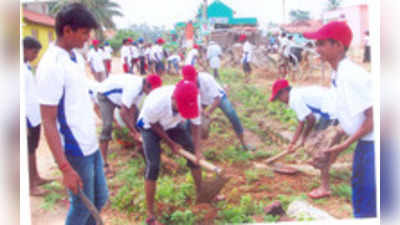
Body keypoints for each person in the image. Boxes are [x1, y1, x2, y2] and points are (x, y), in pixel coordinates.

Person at [36, 3, 108, 224]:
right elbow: (48, 121)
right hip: (74, 149)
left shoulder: (73, 57)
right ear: (67, 31)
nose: (87, 38)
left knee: (99, 199)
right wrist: (65, 168)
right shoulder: (52, 65)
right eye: (84, 33)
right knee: (81, 206)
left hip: (90, 143)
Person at [303, 21, 376, 217]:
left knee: (368, 201)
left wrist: (343, 146)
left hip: (374, 144)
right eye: (316, 44)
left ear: (339, 46)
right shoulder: (339, 73)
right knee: (362, 194)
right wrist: (335, 136)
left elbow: (373, 117)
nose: (317, 49)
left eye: (322, 44)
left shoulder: (351, 75)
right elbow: (356, 115)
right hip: (366, 142)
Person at [136, 80, 204, 225]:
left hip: (172, 124)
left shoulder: (194, 98)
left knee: (192, 152)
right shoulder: (155, 102)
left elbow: (196, 125)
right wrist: (171, 144)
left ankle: (202, 193)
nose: (183, 111)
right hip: (149, 126)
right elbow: (154, 124)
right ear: (174, 98)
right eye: (181, 108)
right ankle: (150, 215)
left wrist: (198, 151)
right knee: (153, 165)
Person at [96, 74, 162, 172]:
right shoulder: (134, 87)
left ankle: (141, 149)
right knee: (107, 126)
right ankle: (103, 163)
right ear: (147, 85)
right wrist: (134, 131)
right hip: (106, 96)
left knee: (139, 122)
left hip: (120, 98)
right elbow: (123, 112)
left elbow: (132, 109)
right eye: (153, 90)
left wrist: (134, 128)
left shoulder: (143, 89)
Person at [182, 65, 254, 151]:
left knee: (232, 115)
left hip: (218, 97)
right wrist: (201, 110)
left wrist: (208, 113)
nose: (192, 82)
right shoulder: (187, 83)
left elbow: (217, 99)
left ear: (197, 74)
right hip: (203, 100)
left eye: (193, 79)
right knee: (189, 121)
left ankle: (244, 144)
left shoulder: (206, 78)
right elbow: (193, 100)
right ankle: (188, 146)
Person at [269, 79, 335, 150]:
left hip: (332, 110)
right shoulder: (296, 94)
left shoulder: (294, 98)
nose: (280, 100)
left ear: (284, 92)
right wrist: (293, 143)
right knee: (315, 136)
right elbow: (301, 122)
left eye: (278, 97)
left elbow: (311, 119)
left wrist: (304, 138)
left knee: (319, 141)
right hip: (330, 108)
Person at [23, 36, 52, 196]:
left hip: (34, 116)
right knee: (27, 151)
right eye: (34, 52)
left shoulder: (27, 66)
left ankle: (36, 177)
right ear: (25, 50)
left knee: (32, 149)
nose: (36, 55)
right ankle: (30, 186)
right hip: (27, 117)